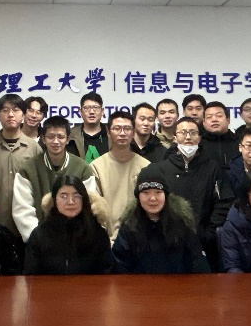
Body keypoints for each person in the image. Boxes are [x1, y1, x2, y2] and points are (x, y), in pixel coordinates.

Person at [139, 117, 231, 271]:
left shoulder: (212, 167)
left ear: (199, 138)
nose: (188, 137)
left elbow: (223, 202)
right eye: (183, 132)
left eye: (193, 133)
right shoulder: (161, 169)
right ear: (175, 138)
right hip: (168, 242)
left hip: (205, 242)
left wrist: (208, 233)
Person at [12, 115, 101, 240]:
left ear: (68, 139)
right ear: (43, 139)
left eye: (60, 137)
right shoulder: (28, 169)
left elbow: (87, 207)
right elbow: (22, 210)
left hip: (76, 239)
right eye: (51, 137)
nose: (55, 141)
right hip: (39, 241)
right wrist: (39, 239)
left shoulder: (83, 168)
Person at [112, 172, 209, 274]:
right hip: (139, 284)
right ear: (138, 197)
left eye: (158, 192)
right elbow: (120, 269)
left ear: (165, 195)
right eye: (146, 193)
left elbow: (198, 265)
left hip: (178, 283)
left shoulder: (182, 224)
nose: (152, 198)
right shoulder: (128, 228)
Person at [23, 176, 113, 275]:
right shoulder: (39, 235)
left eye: (76, 196)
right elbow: (31, 275)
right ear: (55, 200)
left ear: (83, 199)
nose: (71, 202)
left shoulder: (98, 234)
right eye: (64, 196)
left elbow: (106, 274)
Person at [0, 94, 41, 230]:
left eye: (16, 110)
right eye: (5, 110)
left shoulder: (34, 148)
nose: (11, 114)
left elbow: (39, 185)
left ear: (23, 115)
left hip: (26, 222)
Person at [89, 111, 151, 239]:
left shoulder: (146, 166)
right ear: (108, 132)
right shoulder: (96, 167)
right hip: (106, 239)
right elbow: (94, 208)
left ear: (133, 132)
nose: (122, 133)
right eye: (117, 128)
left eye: (127, 129)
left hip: (139, 238)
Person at [67, 92, 108, 161]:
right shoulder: (70, 135)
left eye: (96, 107)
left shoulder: (111, 134)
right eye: (87, 108)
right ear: (80, 111)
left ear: (102, 111)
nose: (91, 112)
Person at [200, 101, 239, 168]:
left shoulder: (240, 142)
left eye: (219, 116)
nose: (214, 120)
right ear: (204, 123)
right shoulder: (199, 144)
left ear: (228, 120)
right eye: (209, 117)